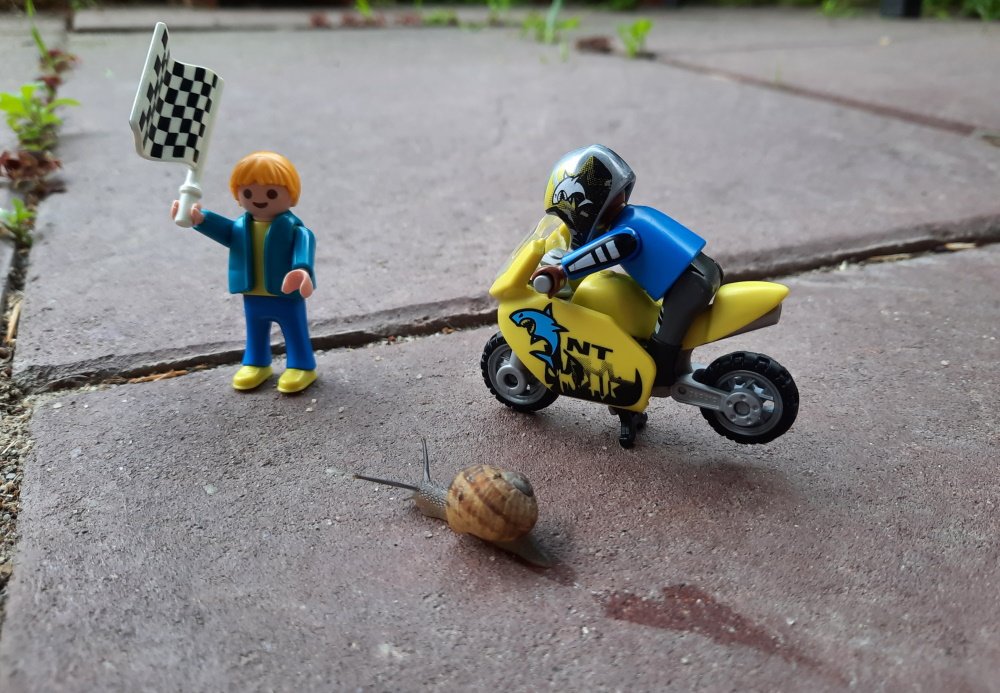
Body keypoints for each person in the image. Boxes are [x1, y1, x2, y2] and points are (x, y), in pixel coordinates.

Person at [530, 144, 722, 387]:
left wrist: (562, 270)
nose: (570, 224)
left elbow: (609, 249)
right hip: (699, 272)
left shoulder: (624, 232)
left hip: (689, 283)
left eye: (567, 216)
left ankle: (651, 385)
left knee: (661, 352)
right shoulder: (633, 215)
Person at [170, 151, 318, 393]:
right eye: (248, 193)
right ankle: (256, 363)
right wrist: (199, 218)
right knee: (255, 330)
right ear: (238, 196)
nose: (259, 200)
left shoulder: (295, 229)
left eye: (271, 193)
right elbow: (223, 231)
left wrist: (302, 270)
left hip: (285, 293)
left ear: (291, 196)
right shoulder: (241, 227)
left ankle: (301, 365)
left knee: (294, 330)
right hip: (252, 291)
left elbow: (304, 249)